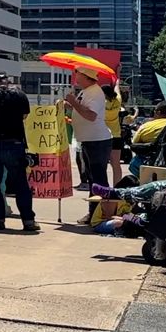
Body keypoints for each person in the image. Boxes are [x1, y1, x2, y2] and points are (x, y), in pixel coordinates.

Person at [0, 73, 39, 232]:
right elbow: (25, 115)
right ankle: (28, 220)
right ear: (7, 81)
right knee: (21, 184)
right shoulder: (20, 95)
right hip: (15, 143)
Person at [64, 66, 111, 221]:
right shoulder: (86, 92)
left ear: (85, 76)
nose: (75, 77)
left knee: (98, 179)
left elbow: (91, 115)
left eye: (77, 74)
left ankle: (101, 213)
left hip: (97, 141)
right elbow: (83, 110)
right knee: (93, 179)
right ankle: (94, 212)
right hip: (89, 140)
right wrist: (71, 105)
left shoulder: (95, 93)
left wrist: (73, 103)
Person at [129, 102, 166, 177]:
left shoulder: (146, 126)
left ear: (158, 112)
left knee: (135, 162)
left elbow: (134, 143)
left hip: (150, 163)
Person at [103, 84, 124, 185]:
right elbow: (117, 88)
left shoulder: (101, 103)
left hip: (104, 136)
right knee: (116, 164)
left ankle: (104, 186)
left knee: (101, 165)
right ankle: (117, 186)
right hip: (116, 135)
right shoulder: (118, 101)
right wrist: (116, 80)